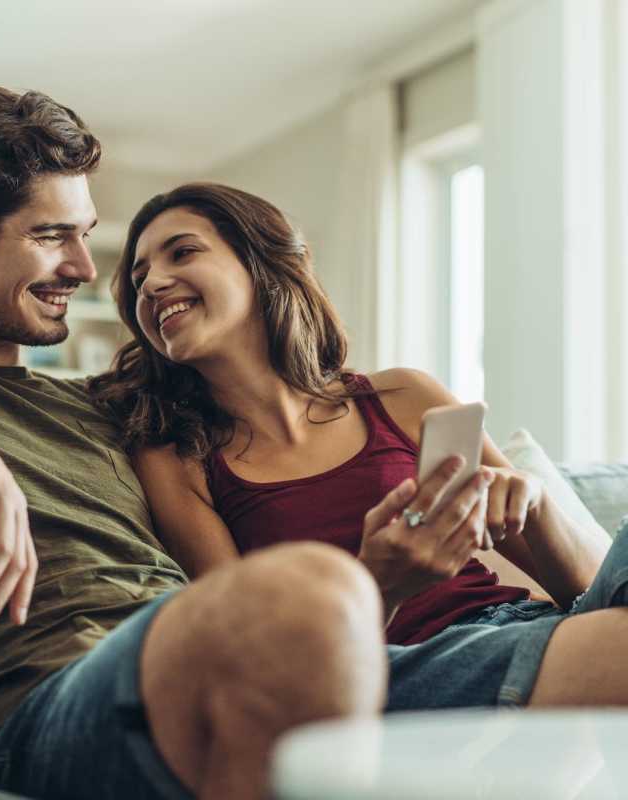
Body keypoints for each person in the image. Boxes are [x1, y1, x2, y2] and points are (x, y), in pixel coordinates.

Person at [0, 82, 430, 800]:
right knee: (316, 594)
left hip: (194, 650)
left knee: (596, 649)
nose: (84, 270)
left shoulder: (114, 408)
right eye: (51, 236)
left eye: (84, 235)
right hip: (44, 709)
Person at [90, 181, 628, 719]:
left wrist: (533, 506)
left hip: (531, 626)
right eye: (138, 279)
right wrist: (378, 584)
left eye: (182, 252)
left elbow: (593, 591)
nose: (154, 284)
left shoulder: (402, 396)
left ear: (259, 264)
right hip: (394, 666)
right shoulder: (176, 458)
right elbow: (262, 665)